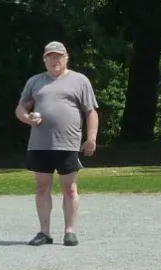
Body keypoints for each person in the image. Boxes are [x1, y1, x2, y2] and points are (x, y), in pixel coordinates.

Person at [15, 41, 99, 247]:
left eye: (58, 56)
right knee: (42, 187)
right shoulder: (35, 82)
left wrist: (91, 138)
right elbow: (20, 108)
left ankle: (70, 231)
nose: (55, 60)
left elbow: (91, 111)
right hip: (40, 143)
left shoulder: (80, 80)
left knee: (69, 188)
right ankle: (44, 232)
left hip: (68, 143)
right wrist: (27, 118)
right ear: (44, 59)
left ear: (66, 58)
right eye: (50, 57)